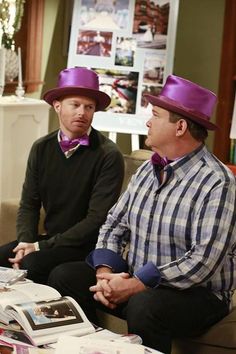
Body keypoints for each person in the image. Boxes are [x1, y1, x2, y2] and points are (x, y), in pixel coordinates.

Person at [48, 75, 236, 354]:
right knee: (64, 276)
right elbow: (113, 224)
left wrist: (136, 285)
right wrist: (105, 274)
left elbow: (202, 262)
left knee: (144, 305)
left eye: (155, 116)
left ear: (181, 127)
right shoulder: (148, 170)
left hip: (197, 294)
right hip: (138, 281)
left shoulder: (217, 182)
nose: (148, 122)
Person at [0, 67, 124, 284]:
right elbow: (29, 203)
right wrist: (26, 242)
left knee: (32, 264)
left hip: (87, 246)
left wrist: (38, 247)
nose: (82, 113)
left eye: (89, 107)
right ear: (57, 105)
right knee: (5, 255)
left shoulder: (108, 155)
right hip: (51, 241)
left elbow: (96, 220)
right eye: (75, 105)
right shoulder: (41, 148)